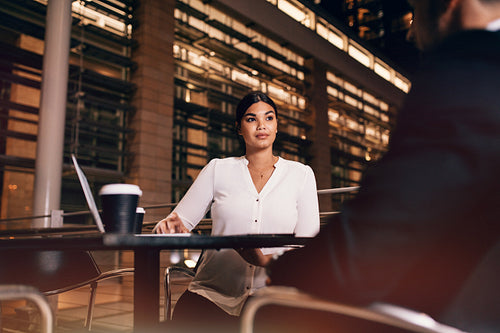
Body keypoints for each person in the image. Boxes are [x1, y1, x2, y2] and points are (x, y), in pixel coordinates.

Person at [264, 0, 500, 332]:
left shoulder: (472, 67)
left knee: (274, 312)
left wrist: (280, 271)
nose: (409, 32)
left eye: (414, 11)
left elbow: (376, 241)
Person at [154, 91, 320, 332]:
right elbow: (177, 223)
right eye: (251, 119)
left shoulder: (301, 175)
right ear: (239, 128)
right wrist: (168, 227)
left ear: (276, 126)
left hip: (273, 299)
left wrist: (265, 261)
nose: (261, 125)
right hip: (212, 296)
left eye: (269, 118)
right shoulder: (217, 169)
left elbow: (308, 249)